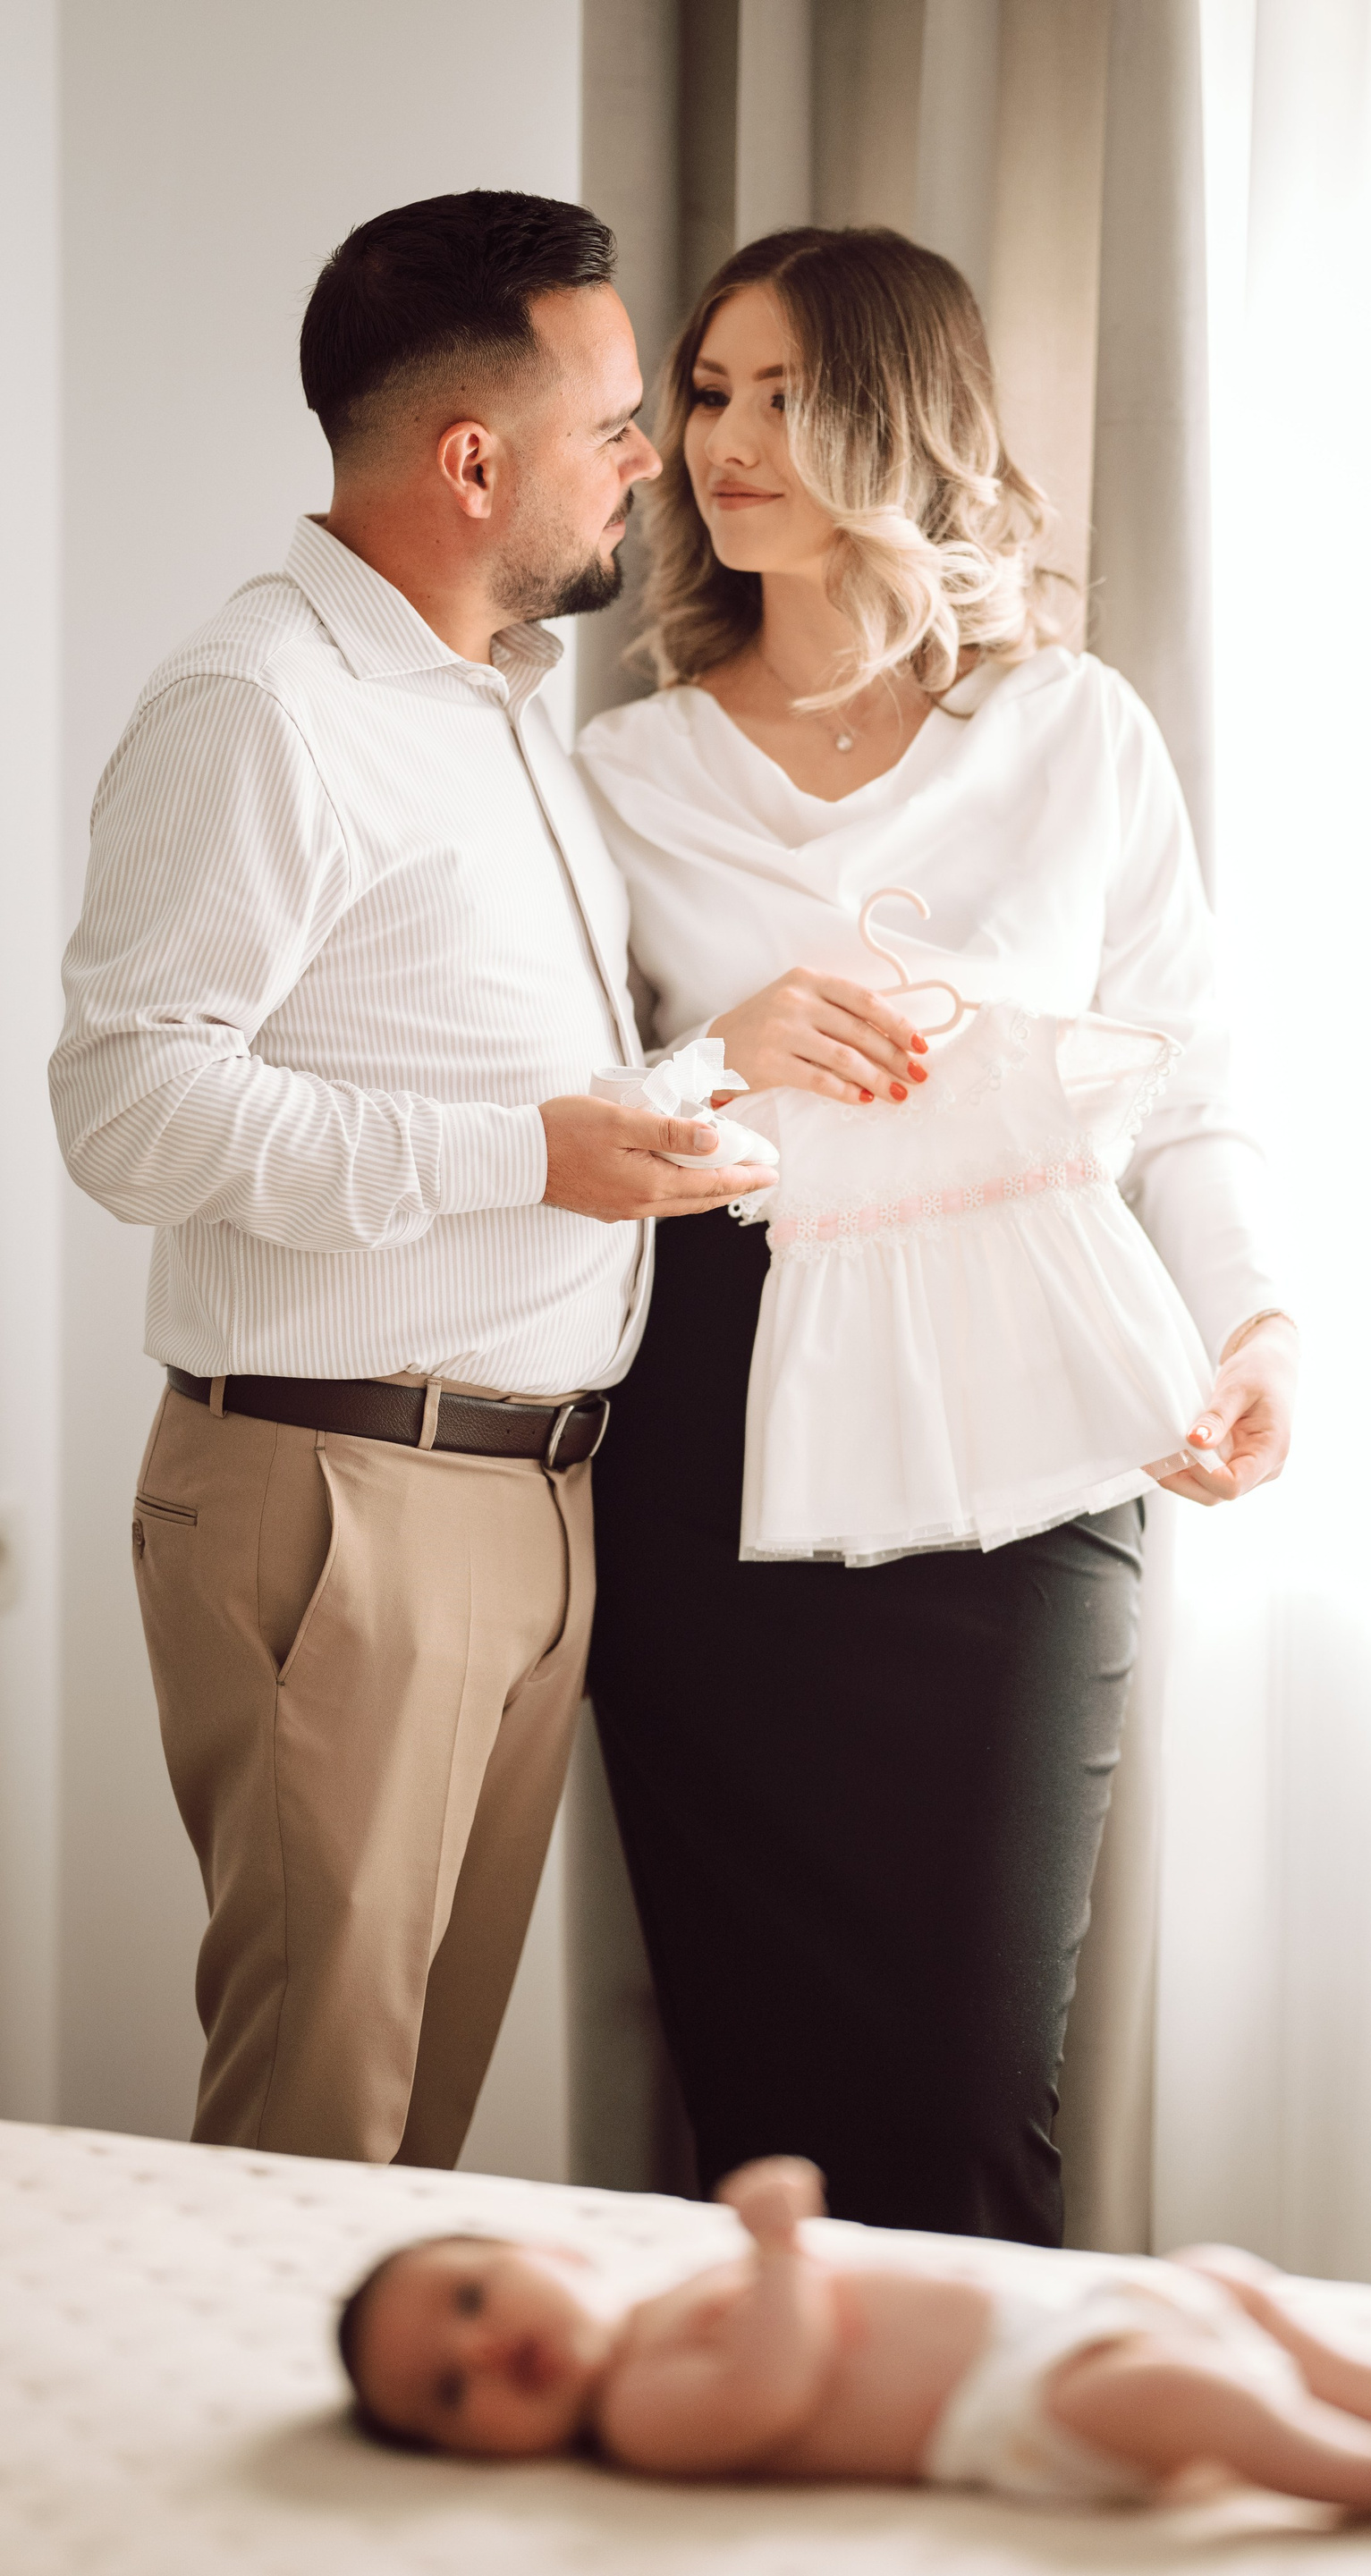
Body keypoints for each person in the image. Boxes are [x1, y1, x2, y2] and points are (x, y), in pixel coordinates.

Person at [577, 226, 1299, 2242]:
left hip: (1029, 1442)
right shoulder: (619, 774)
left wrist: (1256, 1323)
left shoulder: (1075, 732)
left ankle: (988, 2439)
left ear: (905, 419)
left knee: (977, 2089)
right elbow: (568, 1128)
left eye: (788, 393)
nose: (726, 438)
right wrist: (716, 1054)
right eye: (707, 392)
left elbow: (1189, 1085)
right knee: (760, 2095)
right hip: (713, 1442)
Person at [47, 190, 772, 2169]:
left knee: (409, 2148)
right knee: (319, 2140)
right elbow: (127, 1103)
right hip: (341, 1497)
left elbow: (488, 1085)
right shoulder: (262, 704)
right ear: (472, 461)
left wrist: (719, 1065)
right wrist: (527, 1153)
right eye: (614, 421)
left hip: (531, 1500)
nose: (653, 460)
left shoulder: (499, 712)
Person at [337, 2155, 1371, 2537]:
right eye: (446, 2391)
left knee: (1219, 2274)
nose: (481, 2352)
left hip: (1051, 2321)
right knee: (1187, 2396)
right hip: (1012, 2409)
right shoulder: (638, 2415)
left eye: (473, 2297)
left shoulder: (664, 2298)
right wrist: (782, 2254)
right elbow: (772, 2386)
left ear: (553, 2248)